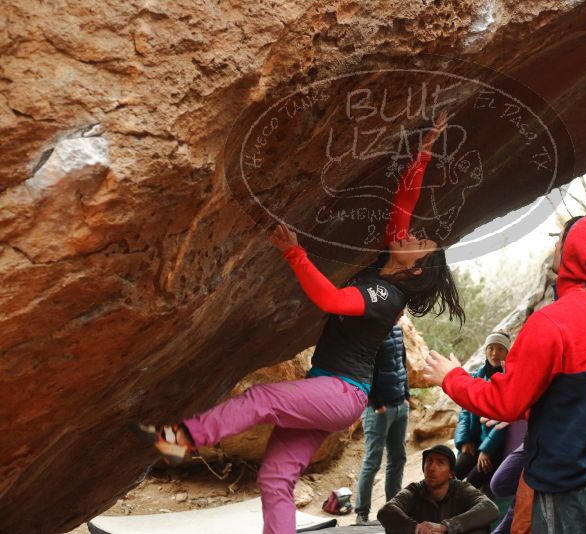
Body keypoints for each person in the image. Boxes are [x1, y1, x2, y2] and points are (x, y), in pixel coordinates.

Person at [134, 113, 465, 534]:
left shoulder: (386, 295)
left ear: (415, 270)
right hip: (331, 393)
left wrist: (295, 252)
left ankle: (182, 439)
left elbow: (329, 298)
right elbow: (403, 206)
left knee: (260, 398)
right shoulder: (390, 268)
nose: (411, 236)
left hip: (342, 393)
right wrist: (424, 152)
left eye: (419, 244)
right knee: (275, 479)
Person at [424, 216, 586, 534]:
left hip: (568, 491)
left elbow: (503, 401)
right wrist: (526, 410)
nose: (554, 245)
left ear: (571, 253)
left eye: (560, 239)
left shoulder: (551, 322)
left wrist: (451, 377)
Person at [354, 322, 411, 525]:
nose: (402, 313)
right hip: (377, 410)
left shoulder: (397, 329)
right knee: (373, 461)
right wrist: (376, 403)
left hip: (399, 405)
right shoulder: (370, 331)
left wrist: (406, 395)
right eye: (400, 308)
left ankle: (392, 509)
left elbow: (401, 362)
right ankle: (361, 513)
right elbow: (363, 368)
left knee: (398, 458)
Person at [377, 444, 500, 534]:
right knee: (393, 524)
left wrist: (444, 527)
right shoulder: (415, 490)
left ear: (451, 473)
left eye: (440, 463)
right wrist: (418, 529)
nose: (431, 468)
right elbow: (386, 511)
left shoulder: (462, 489)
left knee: (480, 528)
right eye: (429, 461)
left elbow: (490, 508)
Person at [454, 332, 511, 489]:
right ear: (485, 351)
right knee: (452, 473)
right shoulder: (475, 377)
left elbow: (504, 420)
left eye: (500, 349)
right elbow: (465, 412)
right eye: (491, 348)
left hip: (494, 447)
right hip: (473, 442)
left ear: (507, 352)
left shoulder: (509, 380)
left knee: (470, 485)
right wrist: (463, 440)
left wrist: (487, 450)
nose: (494, 353)